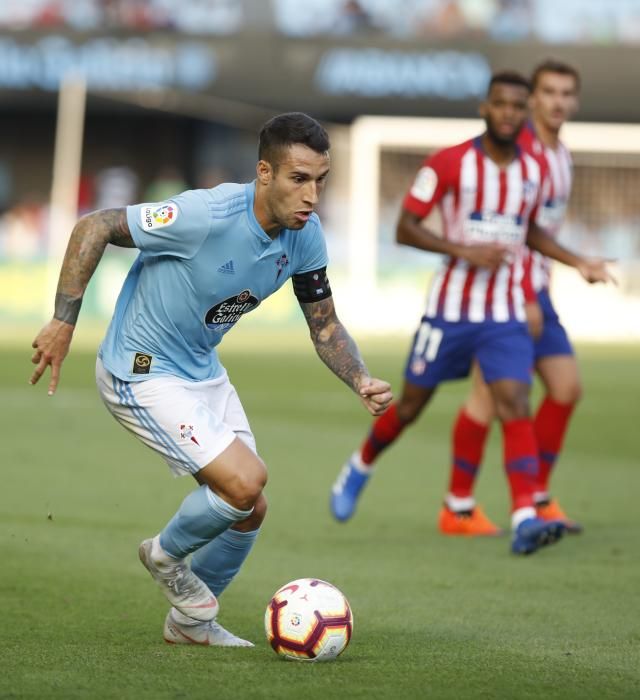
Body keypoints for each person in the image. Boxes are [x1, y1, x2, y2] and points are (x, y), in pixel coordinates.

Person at [29, 112, 392, 646]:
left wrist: (359, 377)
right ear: (264, 173)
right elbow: (95, 226)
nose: (312, 195)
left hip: (200, 369)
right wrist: (64, 320)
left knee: (249, 508)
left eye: (320, 180)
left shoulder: (305, 237)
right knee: (245, 481)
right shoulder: (205, 214)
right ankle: (164, 556)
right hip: (141, 366)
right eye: (299, 179)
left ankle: (190, 624)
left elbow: (325, 324)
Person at [330, 72, 613, 555]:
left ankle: (525, 513)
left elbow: (530, 232)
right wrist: (462, 249)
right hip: (450, 311)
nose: (508, 113)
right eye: (500, 104)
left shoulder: (534, 170)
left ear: (524, 114)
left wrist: (576, 260)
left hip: (503, 311)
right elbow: (404, 228)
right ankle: (361, 463)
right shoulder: (450, 162)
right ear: (485, 107)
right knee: (413, 406)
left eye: (517, 106)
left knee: (515, 402)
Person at [440, 59, 586, 537]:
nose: (558, 102)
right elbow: (512, 234)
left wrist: (576, 263)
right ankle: (459, 506)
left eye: (567, 94)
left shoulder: (560, 154)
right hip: (506, 295)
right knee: (490, 395)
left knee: (565, 389)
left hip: (536, 290)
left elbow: (535, 232)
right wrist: (522, 294)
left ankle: (537, 496)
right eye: (549, 93)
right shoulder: (516, 154)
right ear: (532, 100)